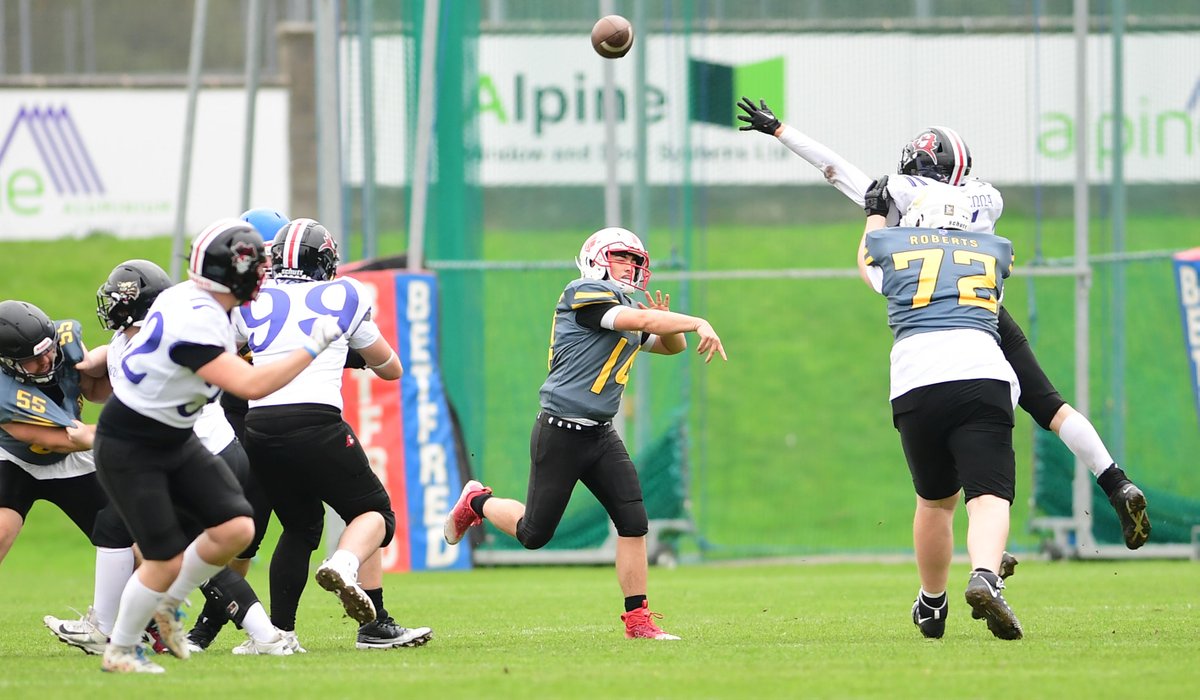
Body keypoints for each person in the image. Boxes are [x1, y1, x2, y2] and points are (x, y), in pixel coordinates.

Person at [736, 98, 1150, 550]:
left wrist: (781, 131)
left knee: (949, 466)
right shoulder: (982, 198)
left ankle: (978, 557)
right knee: (1050, 406)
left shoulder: (906, 193)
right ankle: (1114, 480)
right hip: (985, 304)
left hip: (936, 310)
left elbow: (844, 176)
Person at [443, 226, 727, 640]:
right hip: (560, 430)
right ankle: (477, 501)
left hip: (601, 435)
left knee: (633, 521)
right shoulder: (583, 293)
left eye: (636, 260)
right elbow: (644, 319)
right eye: (622, 257)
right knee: (534, 534)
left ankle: (638, 622)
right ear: (596, 258)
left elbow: (671, 348)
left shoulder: (623, 309)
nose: (630, 266)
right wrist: (693, 320)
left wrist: (669, 327)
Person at [89, 219, 346, 673]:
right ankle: (121, 649)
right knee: (163, 557)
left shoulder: (195, 301)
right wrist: (313, 346)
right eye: (256, 270)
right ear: (235, 274)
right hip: (133, 444)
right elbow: (251, 383)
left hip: (173, 435)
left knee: (236, 529)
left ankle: (169, 603)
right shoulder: (198, 320)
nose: (263, 279)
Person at [44, 259, 292, 657]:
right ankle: (128, 626)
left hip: (198, 454)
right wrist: (73, 361)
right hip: (214, 450)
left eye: (118, 297)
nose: (110, 303)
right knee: (166, 546)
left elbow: (111, 394)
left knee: (138, 536)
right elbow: (105, 365)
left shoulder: (149, 346)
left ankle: (110, 629)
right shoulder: (147, 335)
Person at [236, 217, 432, 651]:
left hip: (260, 428)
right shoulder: (345, 292)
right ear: (324, 260)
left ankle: (279, 635)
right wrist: (348, 354)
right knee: (375, 513)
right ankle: (344, 564)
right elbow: (390, 367)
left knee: (300, 529)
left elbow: (232, 352)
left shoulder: (251, 297)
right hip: (315, 422)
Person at [858, 181, 1023, 640]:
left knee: (935, 501)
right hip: (980, 370)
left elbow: (868, 264)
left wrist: (875, 213)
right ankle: (986, 575)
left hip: (916, 378)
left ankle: (932, 604)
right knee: (988, 494)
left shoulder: (894, 243)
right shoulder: (994, 250)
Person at [0, 300, 136, 652]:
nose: (46, 361)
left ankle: (151, 618)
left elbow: (95, 390)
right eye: (33, 359)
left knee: (134, 543)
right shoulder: (3, 393)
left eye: (47, 351)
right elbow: (62, 440)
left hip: (73, 463)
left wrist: (108, 362)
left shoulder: (62, 344)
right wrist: (127, 435)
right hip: (17, 460)